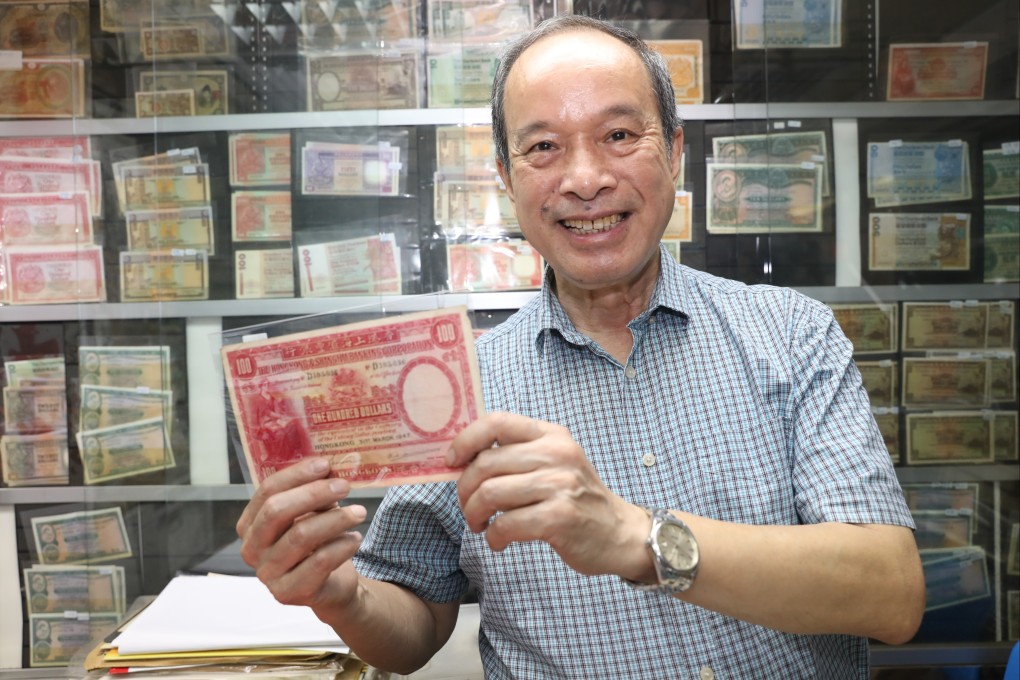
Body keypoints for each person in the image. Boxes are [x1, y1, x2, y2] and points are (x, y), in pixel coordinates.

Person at [236, 15, 925, 678]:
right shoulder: (456, 387)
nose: (585, 177)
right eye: (543, 148)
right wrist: (340, 596)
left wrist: (637, 539)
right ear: (506, 179)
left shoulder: (791, 334)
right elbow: (414, 623)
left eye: (619, 133)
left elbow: (892, 596)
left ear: (676, 151)